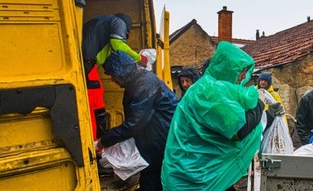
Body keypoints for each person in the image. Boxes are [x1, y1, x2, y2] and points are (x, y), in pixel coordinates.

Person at [161, 41, 265, 190]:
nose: (243, 76)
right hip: (193, 177)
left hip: (201, 172)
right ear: (227, 68)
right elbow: (238, 131)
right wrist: (259, 104)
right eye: (241, 70)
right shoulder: (207, 92)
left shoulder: (212, 88)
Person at [96, 51, 178, 191]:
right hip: (158, 138)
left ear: (121, 71)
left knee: (152, 179)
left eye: (113, 75)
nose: (112, 80)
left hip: (162, 139)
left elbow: (134, 124)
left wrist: (105, 140)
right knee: (152, 177)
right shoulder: (138, 82)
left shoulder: (144, 84)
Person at [82, 13, 149, 139]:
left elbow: (104, 54)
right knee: (95, 102)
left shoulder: (100, 23)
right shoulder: (119, 22)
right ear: (127, 31)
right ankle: (95, 140)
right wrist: (139, 58)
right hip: (87, 61)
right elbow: (118, 45)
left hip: (85, 61)